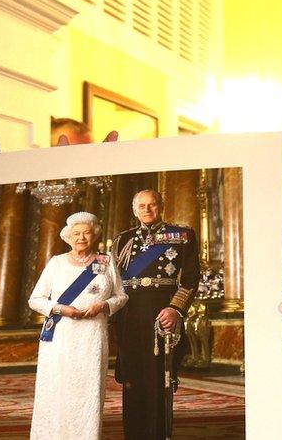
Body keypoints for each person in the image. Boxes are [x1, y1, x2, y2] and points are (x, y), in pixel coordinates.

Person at [28, 212, 127, 440]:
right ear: (68, 237)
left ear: (95, 235)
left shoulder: (105, 262)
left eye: (86, 232)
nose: (81, 237)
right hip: (61, 335)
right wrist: (62, 309)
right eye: (76, 233)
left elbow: (122, 296)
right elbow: (36, 300)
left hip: (92, 335)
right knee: (57, 388)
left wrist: (103, 305)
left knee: (87, 389)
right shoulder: (56, 263)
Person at [111, 189, 199, 439]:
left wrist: (175, 309)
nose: (147, 210)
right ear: (134, 209)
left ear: (161, 206)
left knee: (158, 378)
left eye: (152, 205)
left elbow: (191, 279)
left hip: (161, 312)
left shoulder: (181, 235)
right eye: (142, 206)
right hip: (129, 314)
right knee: (132, 379)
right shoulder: (122, 239)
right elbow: (112, 280)